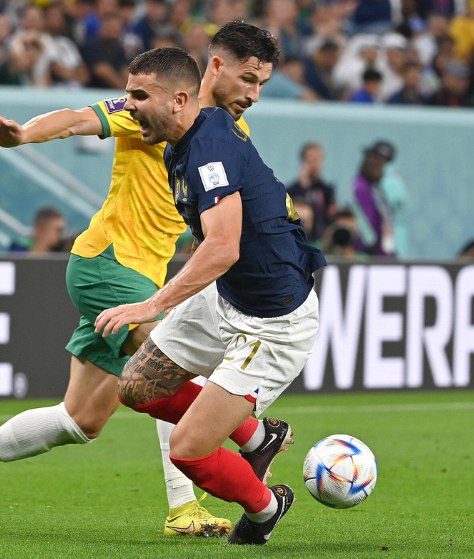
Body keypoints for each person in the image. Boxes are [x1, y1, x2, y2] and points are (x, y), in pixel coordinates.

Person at [0, 21, 282, 538]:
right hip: (109, 263)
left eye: (262, 84)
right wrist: (20, 135)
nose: (254, 95)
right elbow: (75, 119)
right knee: (167, 361)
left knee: (80, 420)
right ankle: (202, 489)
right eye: (248, 80)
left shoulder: (231, 135)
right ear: (214, 68)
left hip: (142, 278)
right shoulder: (155, 105)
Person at [94, 46, 325, 546]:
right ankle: (261, 438)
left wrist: (153, 304)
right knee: (136, 388)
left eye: (138, 95)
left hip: (272, 323)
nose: (127, 105)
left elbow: (222, 247)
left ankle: (266, 508)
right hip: (225, 298)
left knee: (188, 451)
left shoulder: (208, 148)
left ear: (178, 99)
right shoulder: (184, 134)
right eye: (127, 93)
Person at [285, 142, 337, 243]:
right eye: (310, 159)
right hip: (298, 238)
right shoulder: (292, 190)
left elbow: (331, 215)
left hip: (321, 239)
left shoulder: (327, 190)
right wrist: (303, 185)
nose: (314, 163)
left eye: (317, 159)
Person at [352, 142, 395, 256]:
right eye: (374, 162)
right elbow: (366, 228)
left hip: (382, 253)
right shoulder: (361, 187)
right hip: (367, 254)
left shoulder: (378, 190)